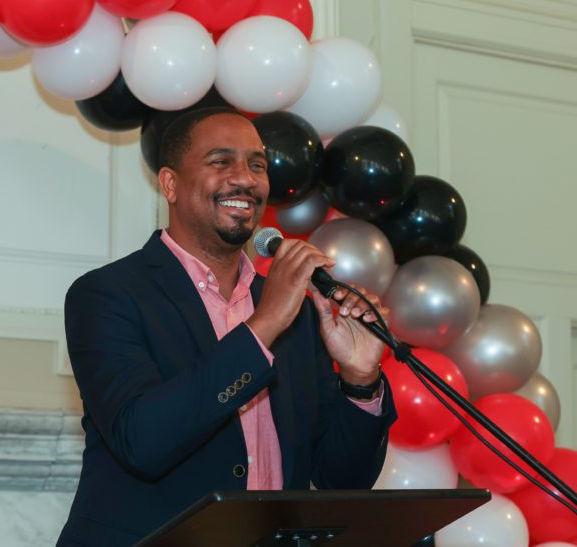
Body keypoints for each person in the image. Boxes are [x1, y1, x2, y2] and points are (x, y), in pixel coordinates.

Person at [57, 107, 396, 546]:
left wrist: (359, 379)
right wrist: (265, 324)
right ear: (170, 184)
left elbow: (338, 479)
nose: (246, 179)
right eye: (221, 162)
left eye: (258, 165)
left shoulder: (298, 308)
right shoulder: (108, 295)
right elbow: (142, 442)